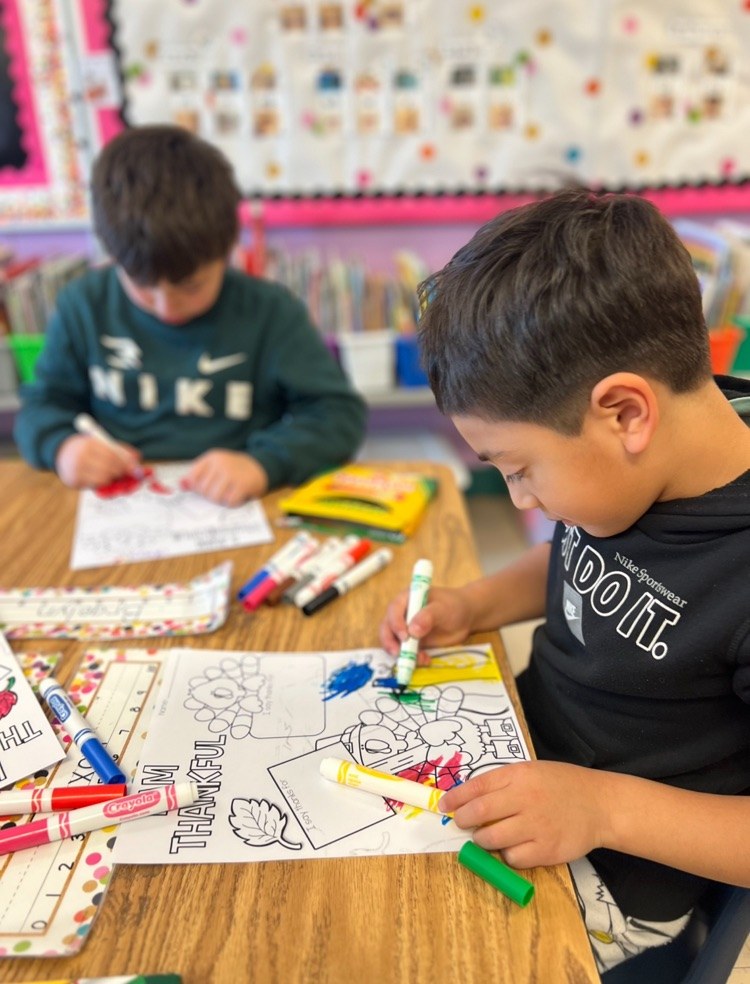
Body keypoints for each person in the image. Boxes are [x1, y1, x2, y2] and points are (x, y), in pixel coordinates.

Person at [379, 189, 750, 972]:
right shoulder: (635, 475)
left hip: (615, 869)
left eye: (520, 471)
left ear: (625, 414)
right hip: (523, 750)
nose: (522, 502)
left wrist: (601, 807)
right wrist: (473, 602)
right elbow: (579, 562)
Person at [14, 125, 366, 506]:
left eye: (192, 287)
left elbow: (339, 415)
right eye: (144, 289)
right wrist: (62, 447)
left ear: (228, 249)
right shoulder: (83, 305)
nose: (167, 308)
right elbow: (41, 406)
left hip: (235, 502)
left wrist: (263, 464)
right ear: (113, 258)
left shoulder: (270, 312)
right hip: (118, 502)